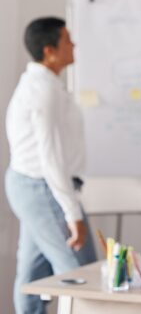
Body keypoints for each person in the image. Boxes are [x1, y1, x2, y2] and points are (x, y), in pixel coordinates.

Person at [5, 17, 97, 314]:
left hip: (35, 186)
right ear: (49, 51)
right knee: (82, 275)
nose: (74, 45)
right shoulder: (41, 90)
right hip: (42, 187)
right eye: (68, 40)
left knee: (32, 275)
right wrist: (73, 214)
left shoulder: (46, 85)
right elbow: (51, 158)